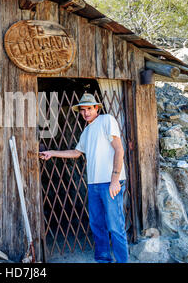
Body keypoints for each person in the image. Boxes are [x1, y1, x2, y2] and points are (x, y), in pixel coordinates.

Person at [39, 92, 128, 263]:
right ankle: (103, 260)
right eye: (82, 110)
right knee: (96, 225)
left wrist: (115, 180)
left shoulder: (107, 120)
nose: (85, 113)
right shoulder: (87, 130)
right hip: (94, 184)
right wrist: (52, 153)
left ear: (96, 108)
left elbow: (119, 149)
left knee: (115, 226)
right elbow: (76, 152)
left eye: (89, 108)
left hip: (110, 182)